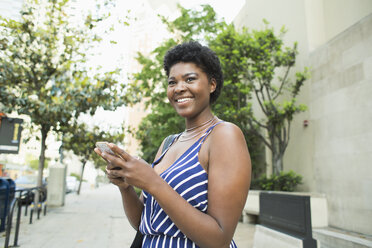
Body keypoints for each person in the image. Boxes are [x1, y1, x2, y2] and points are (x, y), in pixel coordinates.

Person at [94, 41, 251, 248]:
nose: (179, 88)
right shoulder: (168, 143)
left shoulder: (224, 135)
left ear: (212, 84)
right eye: (172, 82)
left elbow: (219, 240)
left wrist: (152, 182)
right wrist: (126, 187)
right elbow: (145, 223)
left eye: (190, 79)